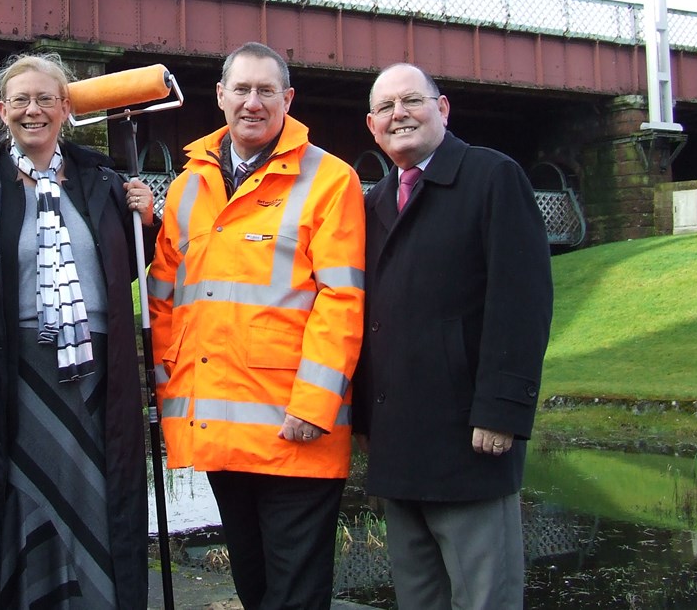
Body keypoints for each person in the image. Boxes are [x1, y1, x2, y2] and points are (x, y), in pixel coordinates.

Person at [147, 41, 366, 610]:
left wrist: (314, 406)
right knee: (253, 585)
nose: (252, 102)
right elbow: (165, 300)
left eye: (266, 90)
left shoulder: (329, 179)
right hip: (219, 428)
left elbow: (341, 299)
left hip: (294, 428)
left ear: (287, 99)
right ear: (219, 96)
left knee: (295, 594)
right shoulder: (187, 187)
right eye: (240, 89)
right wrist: (173, 393)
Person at [0, 51, 153, 609]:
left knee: (98, 488)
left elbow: (129, 265)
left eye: (45, 99)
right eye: (20, 100)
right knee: (24, 488)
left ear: (66, 108)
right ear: (1, 111)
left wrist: (148, 220)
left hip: (96, 369)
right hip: (17, 367)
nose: (32, 110)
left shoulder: (103, 181)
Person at [353, 62, 553, 610]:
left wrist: (502, 410)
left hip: (470, 440)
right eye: (387, 108)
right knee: (419, 598)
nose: (400, 115)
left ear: (442, 109)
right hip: (398, 446)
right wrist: (365, 419)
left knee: (484, 598)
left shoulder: (493, 178)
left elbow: (522, 302)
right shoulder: (372, 204)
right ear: (372, 127)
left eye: (412, 101)